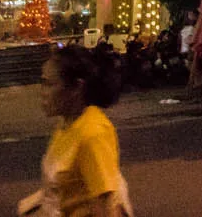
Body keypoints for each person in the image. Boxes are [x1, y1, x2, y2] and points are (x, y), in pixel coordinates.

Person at [21, 45, 132, 217]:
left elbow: (107, 208)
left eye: (49, 84)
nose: (42, 93)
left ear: (76, 88)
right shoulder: (66, 124)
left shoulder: (92, 133)